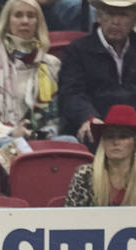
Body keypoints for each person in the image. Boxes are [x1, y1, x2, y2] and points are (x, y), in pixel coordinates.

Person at [0, 0, 63, 145]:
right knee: (17, 148)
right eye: (18, 15)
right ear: (7, 22)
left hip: (40, 138)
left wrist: (43, 133)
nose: (24, 21)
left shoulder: (51, 64)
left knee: (70, 141)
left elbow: (57, 116)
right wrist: (10, 132)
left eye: (31, 16)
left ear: (38, 22)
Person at [58, 0, 136, 143]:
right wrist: (88, 118)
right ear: (99, 16)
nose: (116, 22)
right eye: (110, 14)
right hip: (93, 129)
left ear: (134, 20)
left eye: (123, 15)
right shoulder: (77, 50)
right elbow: (72, 94)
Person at [64, 103, 136, 204]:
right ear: (103, 142)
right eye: (109, 136)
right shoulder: (85, 175)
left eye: (123, 137)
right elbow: (70, 216)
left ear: (134, 142)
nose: (115, 142)